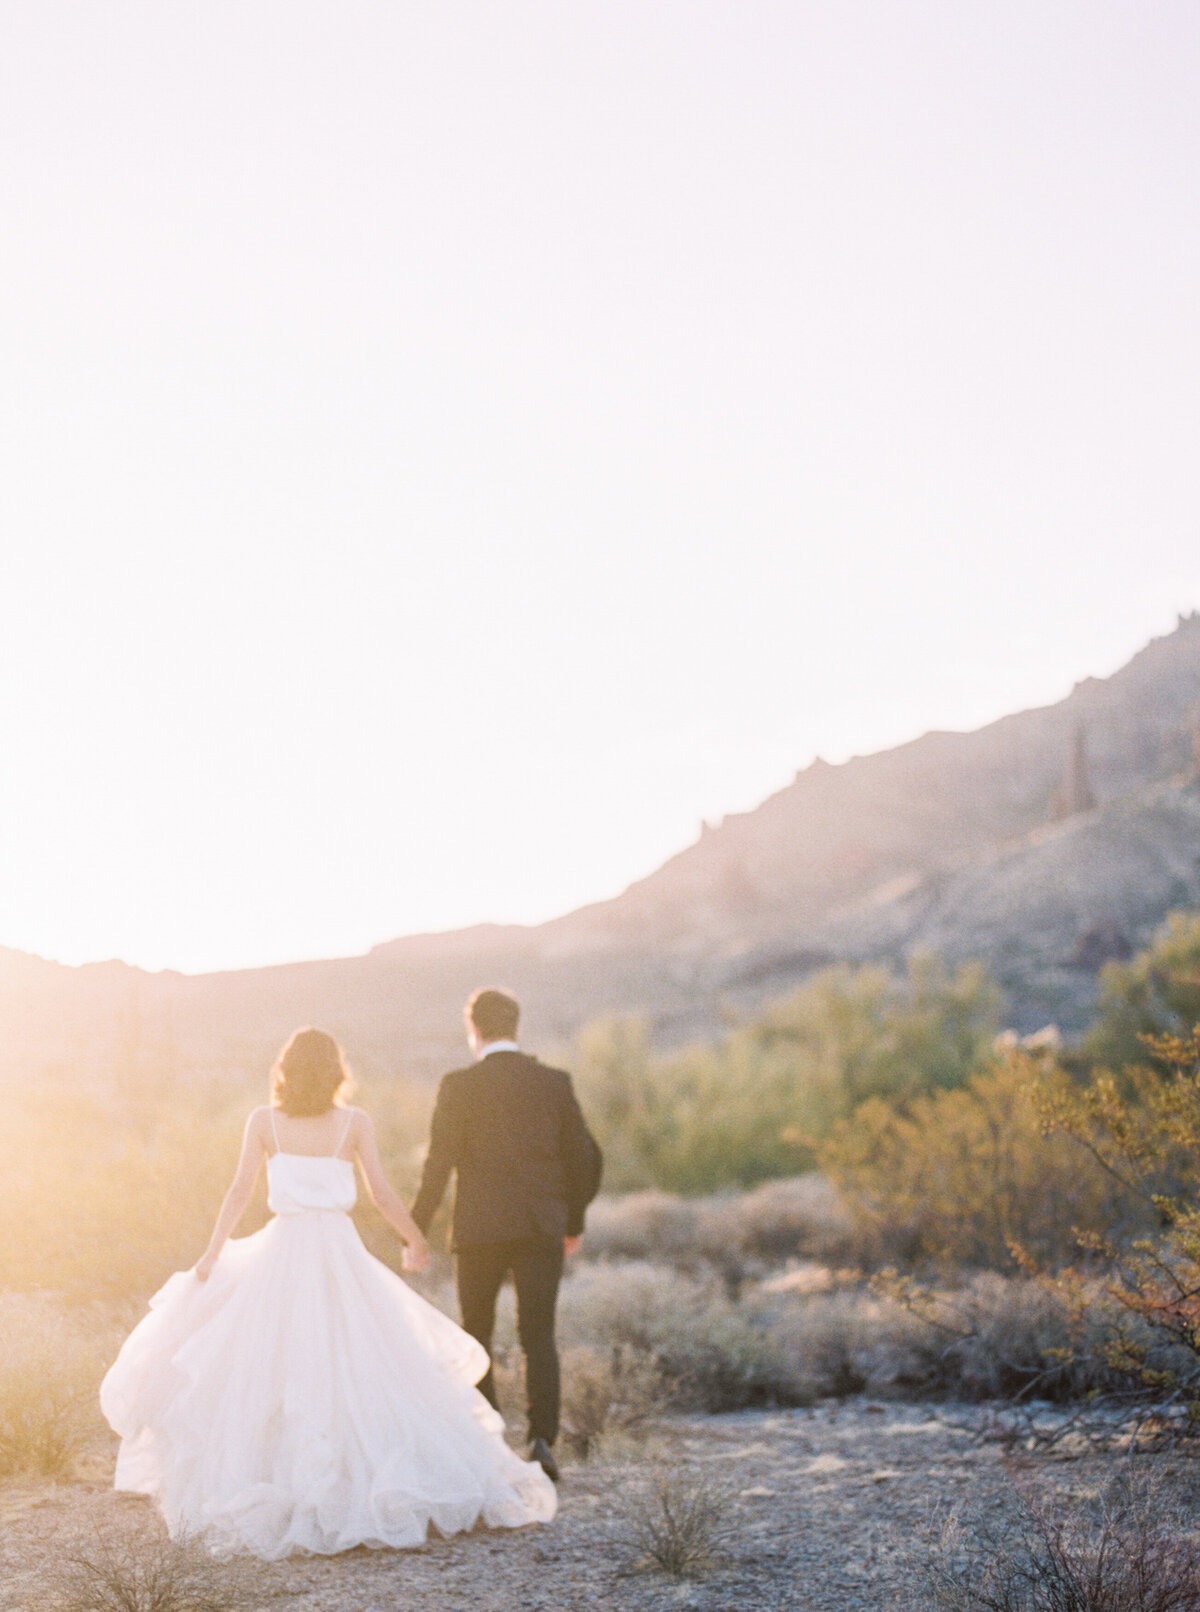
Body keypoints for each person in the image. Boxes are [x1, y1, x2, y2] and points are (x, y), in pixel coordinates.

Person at [100, 1027, 556, 1559]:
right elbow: (381, 1192)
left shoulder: (264, 1121)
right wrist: (413, 1237)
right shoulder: (353, 1123)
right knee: (362, 1362)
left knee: (274, 1364)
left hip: (286, 1248)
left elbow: (239, 1191)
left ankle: (288, 1479)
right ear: (337, 1070)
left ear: (285, 1070)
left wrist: (211, 1253)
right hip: (337, 1251)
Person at [411, 988, 603, 1484]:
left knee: (475, 1330)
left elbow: (438, 1163)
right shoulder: (552, 1083)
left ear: (473, 1030)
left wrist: (417, 1227)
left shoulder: (457, 1085)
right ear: (517, 1028)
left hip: (478, 1228)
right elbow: (586, 1158)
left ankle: (489, 1442)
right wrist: (573, 1221)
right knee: (538, 1335)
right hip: (541, 1225)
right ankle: (541, 1440)